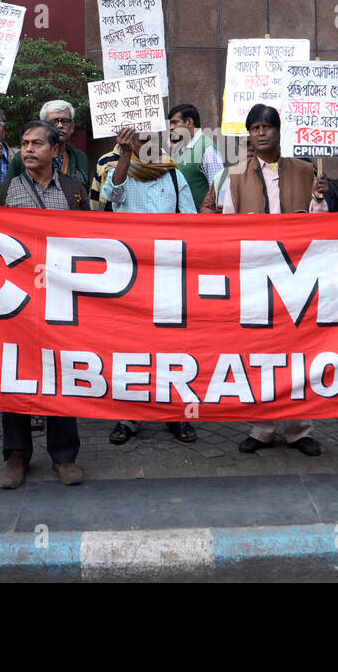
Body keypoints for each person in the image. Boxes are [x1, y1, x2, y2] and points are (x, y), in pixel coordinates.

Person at [0, 120, 91, 488]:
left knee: (61, 373)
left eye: (37, 144)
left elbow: (89, 242)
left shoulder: (75, 192)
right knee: (14, 372)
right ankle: (16, 456)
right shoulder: (3, 192)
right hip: (15, 301)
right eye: (24, 143)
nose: (28, 150)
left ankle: (64, 456)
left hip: (61, 300)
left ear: (55, 151)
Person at [221, 104, 330, 457]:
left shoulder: (305, 169)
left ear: (279, 131)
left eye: (267, 126)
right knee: (260, 352)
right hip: (255, 275)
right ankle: (262, 428)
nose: (261, 133)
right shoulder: (235, 173)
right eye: (254, 127)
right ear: (249, 134)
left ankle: (300, 429)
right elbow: (225, 224)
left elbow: (322, 226)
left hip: (299, 273)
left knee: (301, 352)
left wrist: (318, 199)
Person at [100, 125, 198, 445]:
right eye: (134, 138)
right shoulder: (119, 171)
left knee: (172, 346)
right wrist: (124, 155)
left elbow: (192, 222)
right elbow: (111, 195)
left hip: (168, 274)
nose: (142, 142)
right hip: (130, 276)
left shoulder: (172, 175)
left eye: (146, 136)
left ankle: (177, 414)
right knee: (130, 345)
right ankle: (129, 416)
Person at [8, 100, 91, 188]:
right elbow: (6, 194)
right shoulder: (25, 157)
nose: (60, 125)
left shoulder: (81, 158)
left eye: (65, 121)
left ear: (72, 127)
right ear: (42, 126)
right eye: (54, 121)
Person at [169, 103, 225, 208]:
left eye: (175, 123)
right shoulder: (178, 148)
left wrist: (220, 214)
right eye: (170, 124)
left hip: (202, 221)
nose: (171, 127)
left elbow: (220, 186)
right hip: (183, 218)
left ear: (189, 122)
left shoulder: (207, 148)